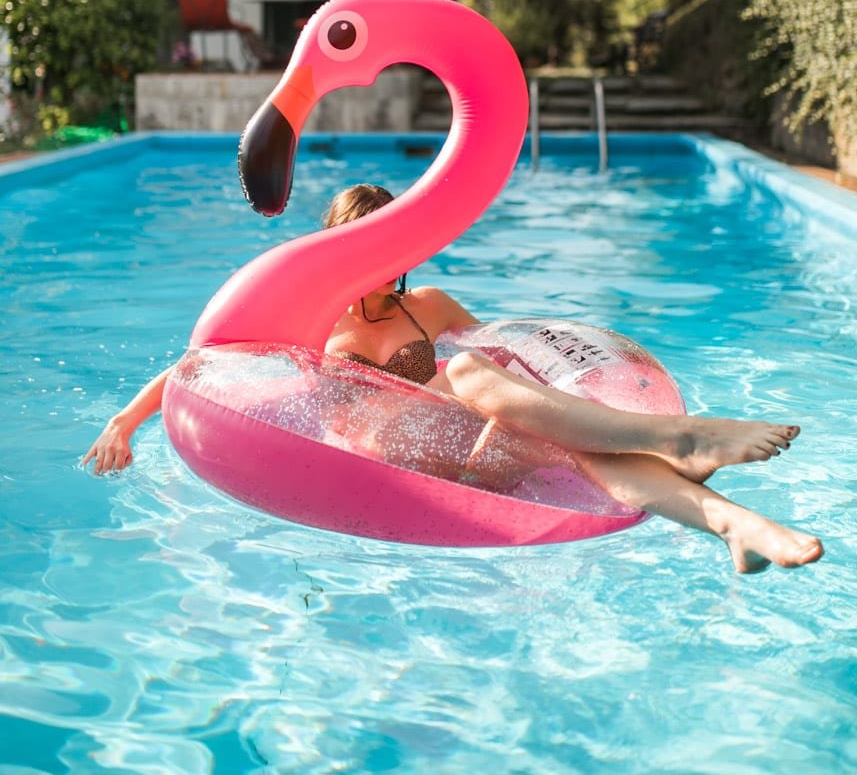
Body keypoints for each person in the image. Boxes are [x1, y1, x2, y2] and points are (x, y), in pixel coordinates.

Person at [84, 183, 824, 575]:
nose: (386, 266)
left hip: (459, 452)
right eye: (368, 248)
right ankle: (681, 439)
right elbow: (205, 366)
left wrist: (541, 393)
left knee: (567, 442)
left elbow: (507, 353)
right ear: (338, 247)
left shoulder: (429, 305)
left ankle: (734, 525)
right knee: (468, 368)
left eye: (396, 246)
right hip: (376, 455)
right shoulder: (310, 315)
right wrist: (126, 420)